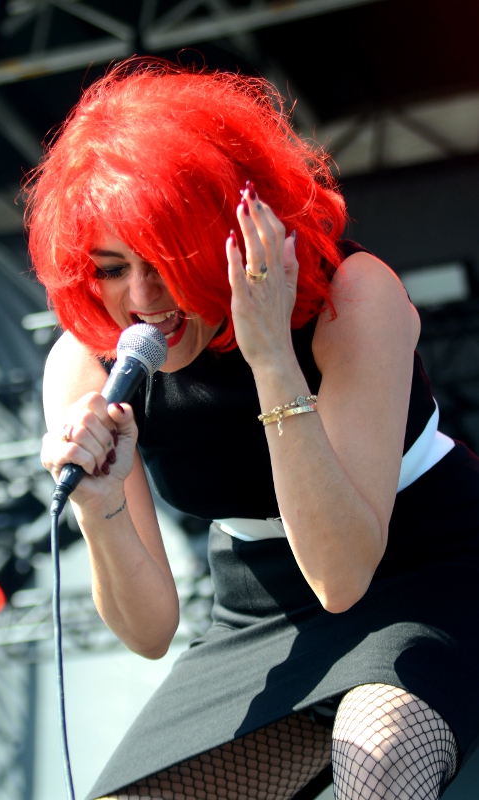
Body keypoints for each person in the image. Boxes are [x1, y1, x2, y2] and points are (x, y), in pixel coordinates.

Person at [32, 60, 479, 800]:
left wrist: (271, 356)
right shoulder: (84, 364)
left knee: (380, 759)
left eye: (166, 262)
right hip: (256, 603)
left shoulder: (352, 296)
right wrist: (99, 509)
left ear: (233, 233)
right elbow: (148, 633)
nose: (141, 299)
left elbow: (341, 576)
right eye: (111, 269)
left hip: (429, 568)